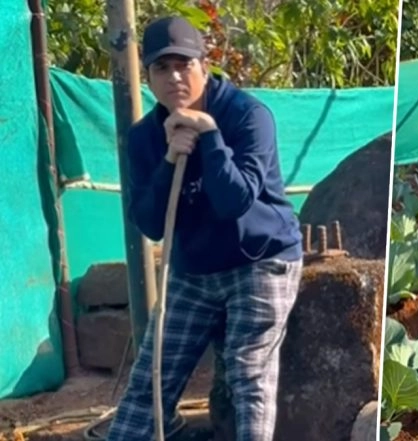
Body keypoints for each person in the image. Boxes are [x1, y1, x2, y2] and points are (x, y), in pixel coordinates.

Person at [105, 16, 303, 441]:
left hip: (260, 259)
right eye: (162, 68)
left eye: (184, 64)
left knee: (247, 372)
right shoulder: (144, 138)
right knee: (151, 380)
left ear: (203, 65)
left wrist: (210, 139)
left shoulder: (247, 116)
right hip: (195, 271)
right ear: (149, 76)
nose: (174, 77)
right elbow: (151, 224)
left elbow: (235, 201)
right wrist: (168, 162)